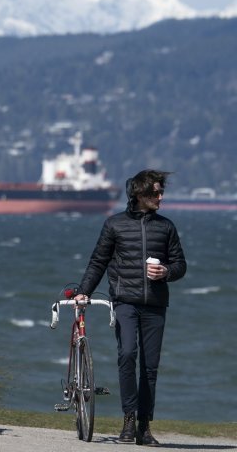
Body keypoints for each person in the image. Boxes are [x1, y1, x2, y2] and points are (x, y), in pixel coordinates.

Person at [74, 169, 186, 446]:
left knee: (150, 367)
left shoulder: (166, 226)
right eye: (155, 193)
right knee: (126, 355)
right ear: (139, 194)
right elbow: (98, 261)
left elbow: (180, 264)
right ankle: (128, 420)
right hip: (124, 301)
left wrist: (166, 272)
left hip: (155, 305)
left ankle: (144, 426)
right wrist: (83, 292)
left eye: (162, 192)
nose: (161, 197)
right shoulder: (114, 224)